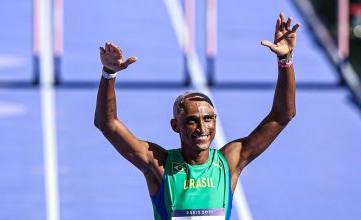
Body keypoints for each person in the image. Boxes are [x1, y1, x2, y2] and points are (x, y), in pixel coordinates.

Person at [95, 12, 300, 220]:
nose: (202, 128)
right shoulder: (159, 164)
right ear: (176, 126)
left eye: (208, 119)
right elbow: (107, 125)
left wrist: (285, 60)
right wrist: (109, 73)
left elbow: (283, 115)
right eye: (192, 121)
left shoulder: (229, 162)